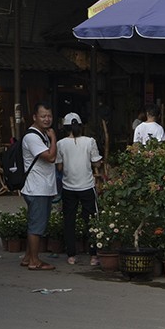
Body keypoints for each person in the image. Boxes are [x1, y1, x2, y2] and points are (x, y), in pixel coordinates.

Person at [55, 112, 104, 266]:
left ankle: (71, 256)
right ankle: (94, 256)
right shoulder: (90, 141)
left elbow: (59, 166)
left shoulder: (60, 144)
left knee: (69, 221)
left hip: (69, 187)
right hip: (87, 186)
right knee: (91, 221)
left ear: (65, 128)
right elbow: (96, 163)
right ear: (81, 127)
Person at [18, 104, 58, 272]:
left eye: (49, 116)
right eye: (43, 116)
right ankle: (35, 261)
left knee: (38, 223)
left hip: (43, 186)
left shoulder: (43, 134)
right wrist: (54, 138)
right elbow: (50, 157)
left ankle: (28, 257)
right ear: (34, 117)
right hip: (37, 188)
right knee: (36, 226)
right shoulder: (32, 137)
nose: (47, 119)